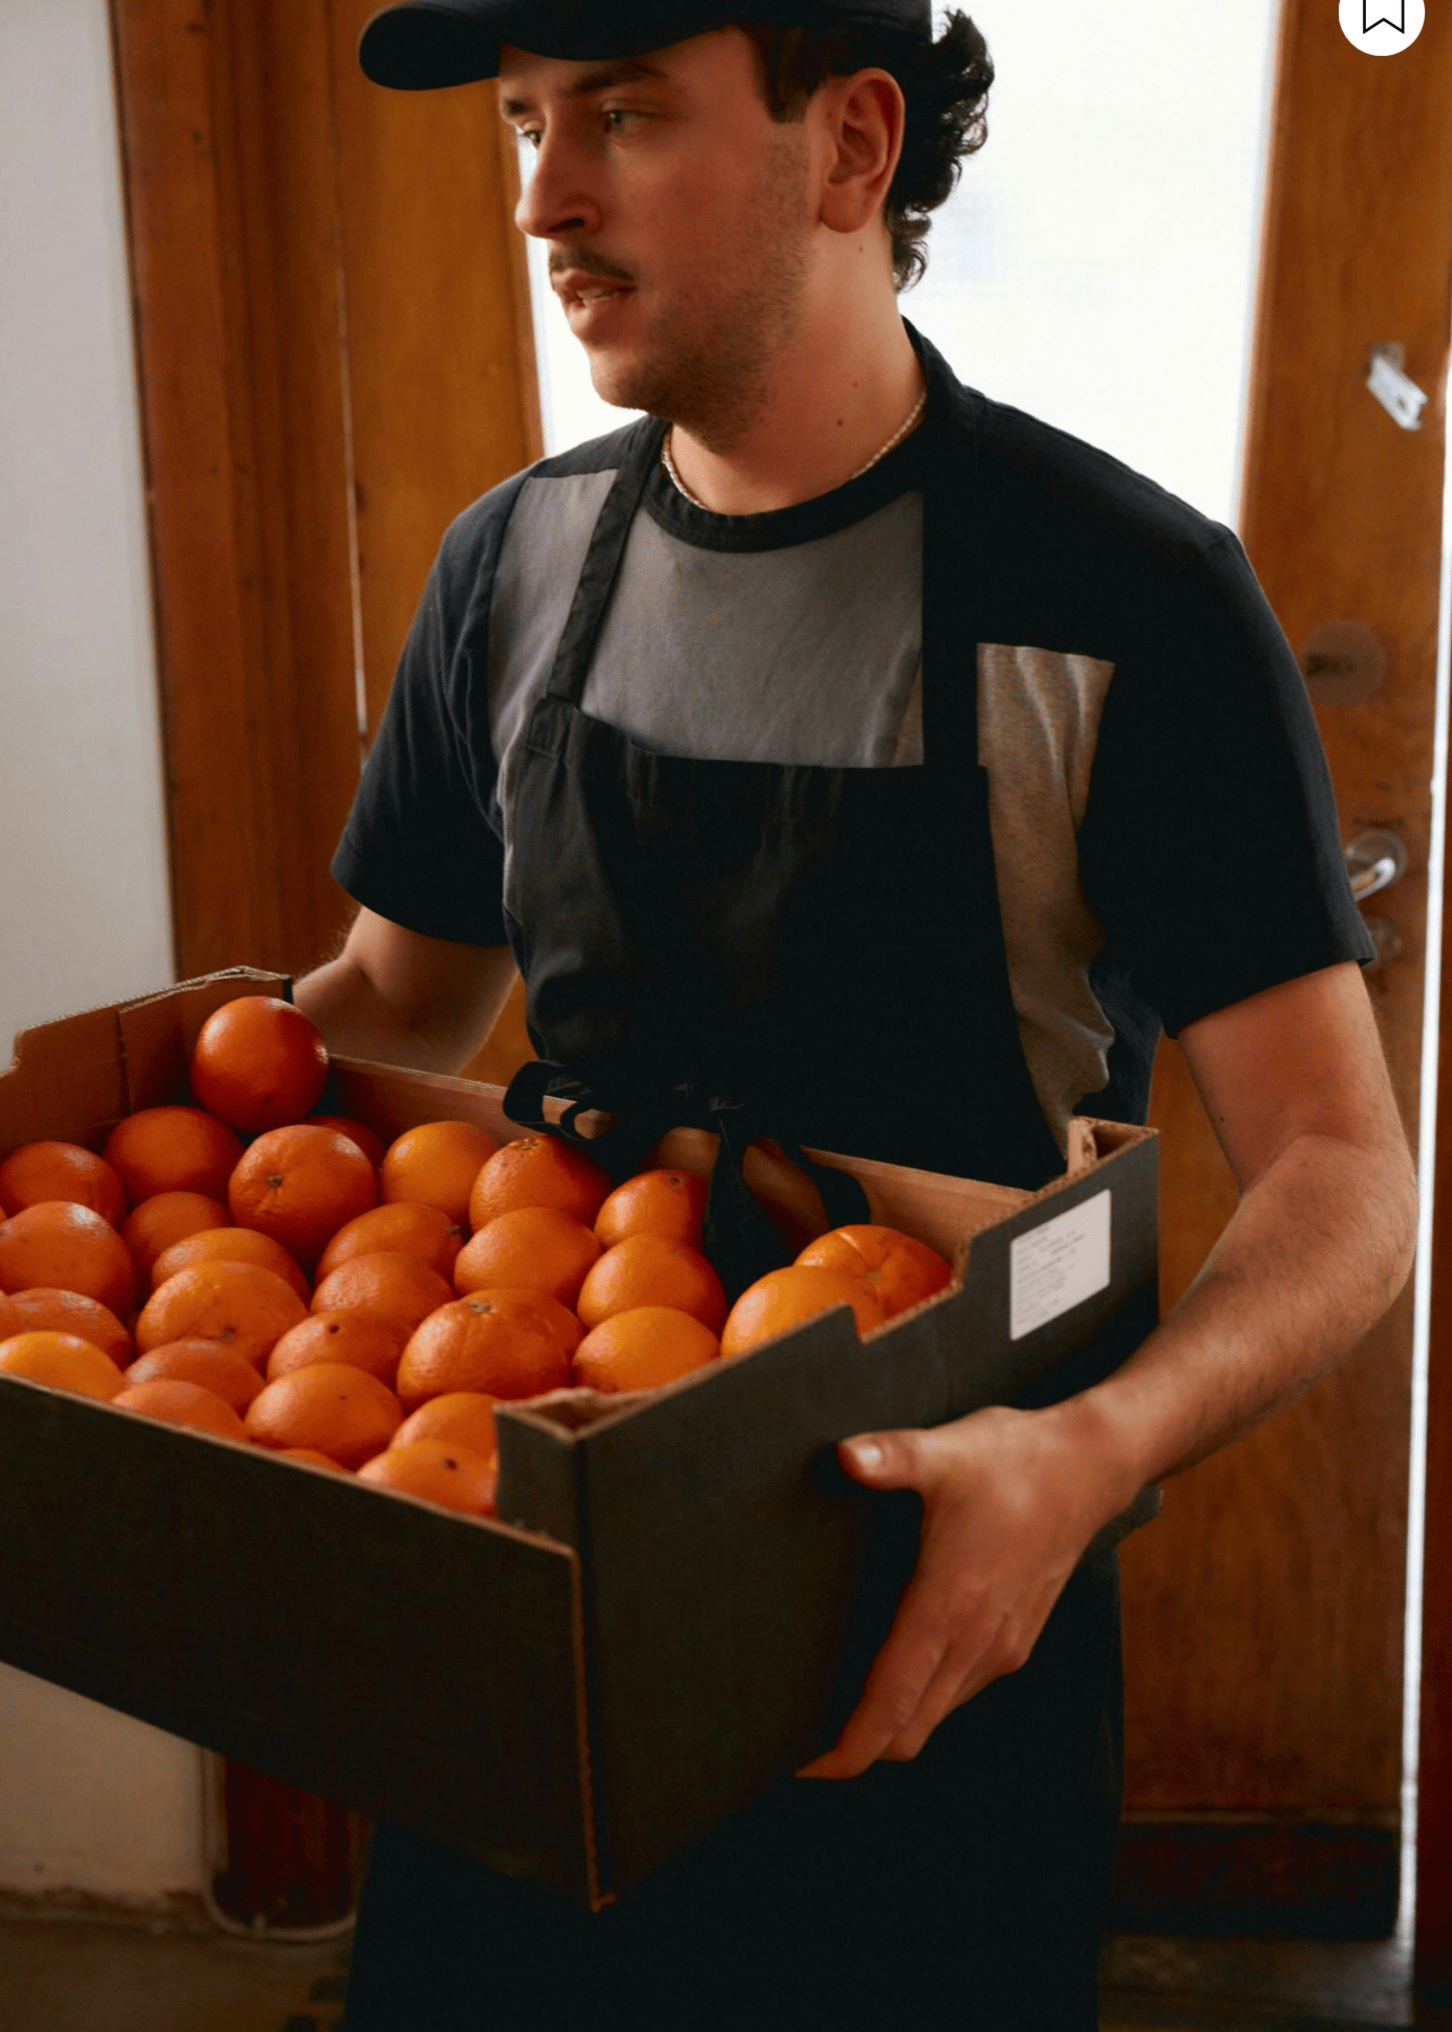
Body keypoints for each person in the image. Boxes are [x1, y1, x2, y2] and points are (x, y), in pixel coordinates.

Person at [298, 1, 1418, 2023]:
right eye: (528, 121)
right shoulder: (511, 569)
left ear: (851, 146)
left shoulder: (1132, 603)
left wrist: (1090, 1454)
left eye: (624, 115)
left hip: (927, 1662)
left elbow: (1349, 1174)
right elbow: (390, 999)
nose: (545, 194)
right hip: (522, 1609)